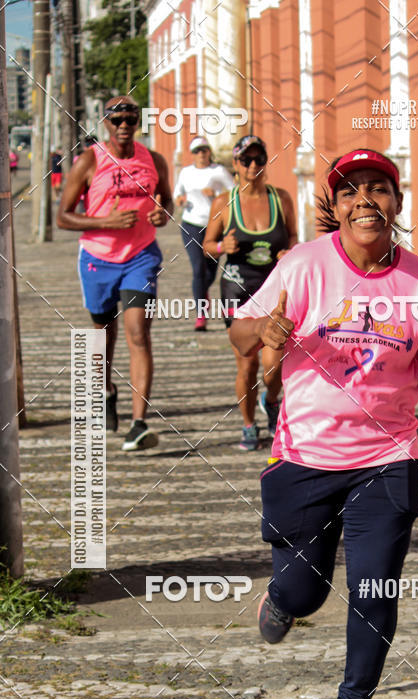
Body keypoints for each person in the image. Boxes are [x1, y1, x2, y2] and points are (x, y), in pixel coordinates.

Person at [229, 148, 418, 699]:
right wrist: (262, 333)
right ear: (334, 208)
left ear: (397, 204)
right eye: (350, 191)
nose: (365, 199)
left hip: (388, 456)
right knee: (308, 592)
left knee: (374, 588)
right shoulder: (303, 264)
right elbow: (239, 329)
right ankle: (283, 599)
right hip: (306, 455)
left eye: (379, 189)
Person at [57, 97, 173, 451]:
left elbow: (166, 201)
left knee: (138, 331)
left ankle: (139, 423)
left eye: (130, 118)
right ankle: (106, 390)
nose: (124, 124)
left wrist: (161, 214)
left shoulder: (153, 159)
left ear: (138, 122)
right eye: (117, 119)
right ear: (105, 123)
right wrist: (105, 221)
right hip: (98, 260)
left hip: (141, 258)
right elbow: (63, 216)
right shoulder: (89, 161)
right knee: (102, 334)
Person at [203, 135, 297, 450]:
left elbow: (294, 237)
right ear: (235, 165)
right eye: (246, 160)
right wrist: (221, 247)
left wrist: (290, 252)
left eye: (259, 159)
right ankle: (248, 425)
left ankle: (271, 401)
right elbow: (206, 247)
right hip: (237, 289)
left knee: (273, 366)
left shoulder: (281, 199)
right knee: (247, 365)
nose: (253, 166)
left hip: (274, 291)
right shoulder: (223, 203)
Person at [174, 135, 234, 331]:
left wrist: (216, 196)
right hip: (191, 224)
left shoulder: (218, 171)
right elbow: (177, 194)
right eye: (197, 151)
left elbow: (235, 193)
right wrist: (181, 200)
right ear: (192, 155)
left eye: (204, 150)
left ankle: (203, 293)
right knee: (198, 268)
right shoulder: (186, 173)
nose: (201, 154)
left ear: (209, 152)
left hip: (215, 226)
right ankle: (201, 314)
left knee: (210, 272)